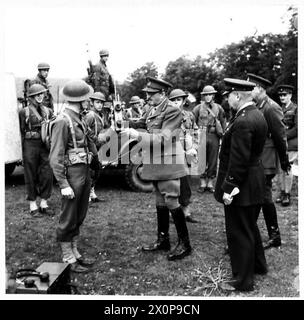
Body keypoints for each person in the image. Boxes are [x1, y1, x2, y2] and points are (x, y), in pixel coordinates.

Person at [122, 77, 192, 261]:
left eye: (151, 94)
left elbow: (164, 138)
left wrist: (137, 135)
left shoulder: (172, 111)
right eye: (147, 93)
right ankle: (163, 240)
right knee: (160, 201)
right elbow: (144, 123)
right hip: (155, 161)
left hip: (168, 162)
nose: (148, 96)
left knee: (171, 201)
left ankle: (185, 244)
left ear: (162, 93)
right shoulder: (154, 108)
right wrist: (126, 122)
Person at [214, 78, 268, 292]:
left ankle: (243, 280)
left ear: (238, 96)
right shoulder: (256, 114)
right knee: (250, 227)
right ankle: (258, 266)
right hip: (253, 180)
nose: (227, 100)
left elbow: (239, 161)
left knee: (239, 232)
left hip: (243, 184)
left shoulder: (244, 120)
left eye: (229, 96)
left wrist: (229, 189)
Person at [49, 80, 101, 273]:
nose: (89, 101)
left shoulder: (78, 118)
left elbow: (89, 143)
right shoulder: (63, 121)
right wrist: (63, 184)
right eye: (87, 98)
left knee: (79, 214)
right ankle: (68, 256)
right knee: (68, 216)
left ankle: (75, 251)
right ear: (81, 100)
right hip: (72, 175)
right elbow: (55, 156)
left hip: (83, 173)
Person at [247, 74, 290, 249]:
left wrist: (284, 161)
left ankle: (264, 235)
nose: (249, 92)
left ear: (260, 89)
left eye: (251, 88)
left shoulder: (271, 107)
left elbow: (280, 137)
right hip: (259, 158)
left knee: (262, 196)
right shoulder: (258, 106)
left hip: (267, 159)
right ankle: (272, 235)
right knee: (263, 197)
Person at [19, 84, 54, 217]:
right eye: (37, 94)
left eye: (42, 94)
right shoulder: (24, 112)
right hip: (30, 145)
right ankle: (33, 205)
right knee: (30, 174)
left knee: (47, 173)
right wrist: (22, 152)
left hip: (45, 145)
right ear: (31, 97)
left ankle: (44, 203)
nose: (40, 96)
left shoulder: (48, 111)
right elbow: (21, 132)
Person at [168, 89, 199, 223]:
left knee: (186, 183)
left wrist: (193, 147)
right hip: (171, 153)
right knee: (172, 184)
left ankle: (186, 211)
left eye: (179, 100)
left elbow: (195, 132)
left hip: (186, 154)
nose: (176, 102)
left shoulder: (189, 115)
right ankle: (172, 213)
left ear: (183, 101)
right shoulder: (166, 116)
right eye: (174, 100)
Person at [192, 85, 226, 193]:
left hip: (214, 135)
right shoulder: (198, 108)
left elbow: (223, 122)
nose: (207, 97)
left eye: (210, 94)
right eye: (205, 95)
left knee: (213, 159)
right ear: (203, 96)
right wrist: (194, 136)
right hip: (201, 135)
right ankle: (202, 183)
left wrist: (223, 136)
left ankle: (210, 182)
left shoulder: (219, 108)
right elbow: (192, 122)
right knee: (202, 159)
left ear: (213, 95)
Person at [83, 92, 108, 202]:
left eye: (101, 103)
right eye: (97, 102)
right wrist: (95, 138)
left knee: (96, 169)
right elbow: (84, 130)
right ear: (92, 103)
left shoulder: (101, 115)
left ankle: (92, 192)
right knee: (92, 169)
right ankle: (87, 194)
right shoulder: (90, 115)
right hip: (90, 144)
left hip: (98, 144)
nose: (100, 105)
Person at [276, 85, 298, 207]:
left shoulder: (296, 108)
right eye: (280, 95)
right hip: (281, 144)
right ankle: (282, 192)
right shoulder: (279, 108)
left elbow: (297, 128)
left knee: (288, 168)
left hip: (291, 143)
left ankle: (287, 194)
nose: (282, 97)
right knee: (281, 168)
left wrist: (284, 137)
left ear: (290, 95)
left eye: (284, 95)